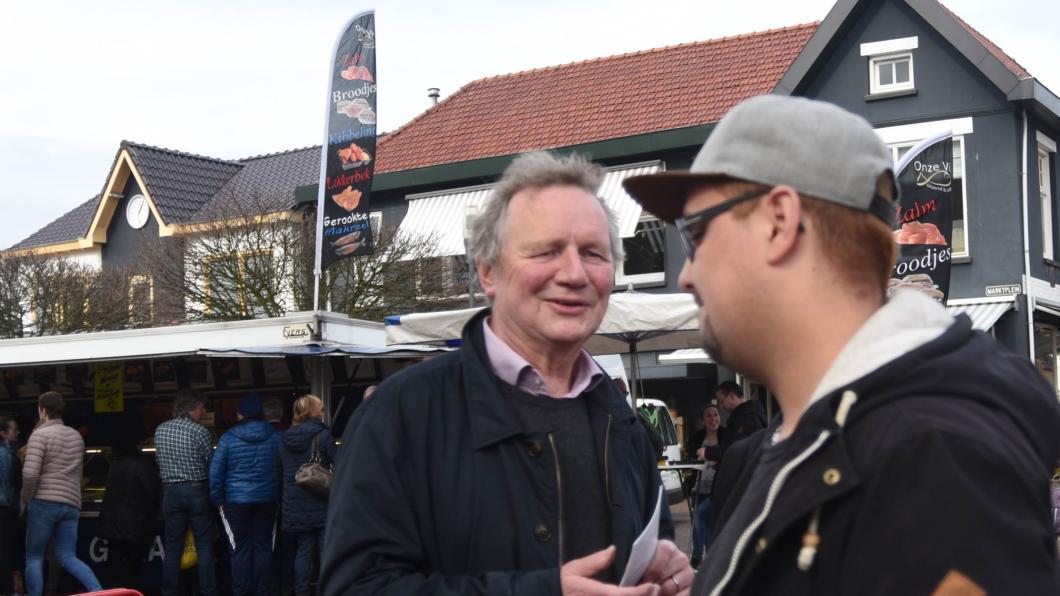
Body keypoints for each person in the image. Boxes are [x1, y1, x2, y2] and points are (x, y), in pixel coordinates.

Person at [623, 94, 1060, 594]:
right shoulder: (802, 439)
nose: (684, 274)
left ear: (779, 223)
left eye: (695, 234)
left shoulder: (933, 462)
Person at [321, 152, 691, 596]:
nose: (574, 273)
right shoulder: (399, 416)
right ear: (488, 271)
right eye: (546, 251)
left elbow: (651, 548)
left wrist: (666, 574)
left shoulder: (623, 421)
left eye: (593, 253)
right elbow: (355, 588)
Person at [20, 392, 102, 596]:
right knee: (67, 556)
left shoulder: (39, 435)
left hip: (44, 502)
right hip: (71, 504)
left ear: (42, 410)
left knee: (34, 557)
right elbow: (79, 474)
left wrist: (25, 498)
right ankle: (98, 591)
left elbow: (30, 474)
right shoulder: (76, 436)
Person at [210, 394, 281, 596]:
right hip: (268, 500)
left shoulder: (228, 437)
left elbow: (216, 474)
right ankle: (262, 591)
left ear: (240, 414)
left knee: (239, 549)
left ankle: (241, 592)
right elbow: (283, 469)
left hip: (235, 502)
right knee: (264, 547)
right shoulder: (276, 436)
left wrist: (218, 501)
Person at [154, 390, 218, 596]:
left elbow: (158, 462)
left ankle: (168, 591)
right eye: (201, 408)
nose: (203, 412)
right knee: (204, 545)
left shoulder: (160, 430)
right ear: (191, 408)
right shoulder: (200, 431)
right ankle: (208, 591)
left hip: (171, 492)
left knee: (173, 546)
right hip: (196, 490)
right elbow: (211, 464)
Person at [278, 395, 337, 596]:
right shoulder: (323, 435)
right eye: (320, 409)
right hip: (320, 498)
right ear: (312, 411)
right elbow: (336, 461)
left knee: (303, 551)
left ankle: (301, 591)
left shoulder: (285, 437)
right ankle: (326, 589)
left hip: (294, 502)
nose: (323, 413)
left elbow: (282, 467)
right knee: (324, 550)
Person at [97, 433, 161, 591]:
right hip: (134, 525)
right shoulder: (141, 464)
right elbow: (152, 491)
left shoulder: (114, 464)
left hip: (112, 524)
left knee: (114, 565)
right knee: (132, 567)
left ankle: (112, 592)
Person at [687, 405, 724, 569]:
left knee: (699, 517)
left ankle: (697, 555)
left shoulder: (726, 435)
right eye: (708, 416)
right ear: (703, 420)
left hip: (718, 488)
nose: (713, 418)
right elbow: (689, 453)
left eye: (716, 414)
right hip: (699, 486)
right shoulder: (697, 437)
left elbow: (731, 454)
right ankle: (709, 558)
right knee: (703, 522)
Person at [0, 415, 20, 596]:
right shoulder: (7, 454)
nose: (18, 433)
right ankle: (6, 590)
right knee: (5, 552)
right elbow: (9, 486)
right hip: (5, 509)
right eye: (14, 430)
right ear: (3, 433)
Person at [713, 381, 764, 451]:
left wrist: (709, 453)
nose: (721, 406)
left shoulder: (747, 417)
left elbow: (735, 449)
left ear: (732, 396)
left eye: (722, 401)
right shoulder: (744, 414)